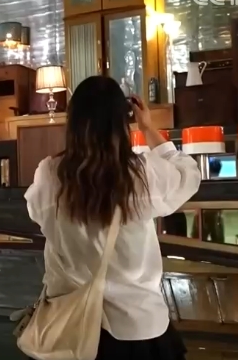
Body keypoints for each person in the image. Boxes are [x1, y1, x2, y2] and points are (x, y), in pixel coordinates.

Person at [24, 76, 201, 359]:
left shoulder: (50, 175)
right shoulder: (141, 176)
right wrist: (148, 128)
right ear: (122, 121)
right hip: (137, 327)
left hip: (70, 328)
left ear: (73, 122)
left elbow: (37, 214)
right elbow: (188, 175)